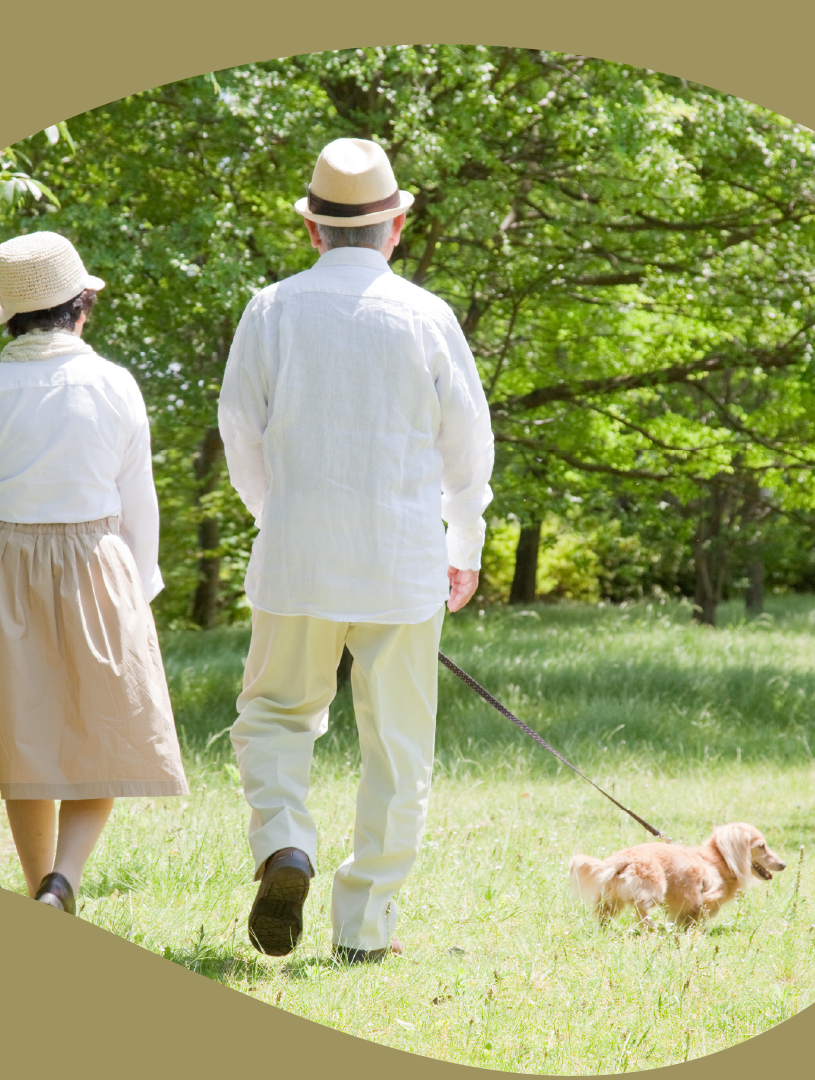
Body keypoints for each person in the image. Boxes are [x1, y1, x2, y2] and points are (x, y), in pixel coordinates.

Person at [218, 137, 495, 963]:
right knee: (398, 750)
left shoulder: (270, 309)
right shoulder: (427, 316)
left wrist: (282, 514)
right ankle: (366, 928)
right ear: (397, 226)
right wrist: (466, 539)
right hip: (403, 560)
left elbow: (240, 433)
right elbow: (467, 448)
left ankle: (285, 844)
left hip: (297, 557)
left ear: (312, 230)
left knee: (274, 716)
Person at [0, 231, 188, 915]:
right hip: (95, 557)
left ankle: (36, 890)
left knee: (26, 734)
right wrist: (139, 590)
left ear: (13, 315)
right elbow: (139, 500)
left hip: (1, 565)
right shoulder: (114, 384)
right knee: (103, 727)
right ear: (82, 306)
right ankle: (66, 878)